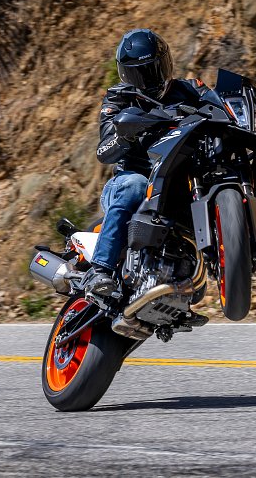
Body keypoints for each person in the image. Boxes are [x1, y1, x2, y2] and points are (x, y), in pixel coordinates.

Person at [84, 28, 206, 298]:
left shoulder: (190, 90)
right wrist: (124, 135)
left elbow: (222, 108)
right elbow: (104, 151)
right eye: (140, 73)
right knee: (135, 185)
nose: (150, 79)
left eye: (154, 69)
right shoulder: (118, 99)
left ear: (166, 63)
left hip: (177, 178)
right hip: (132, 180)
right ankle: (100, 270)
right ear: (126, 75)